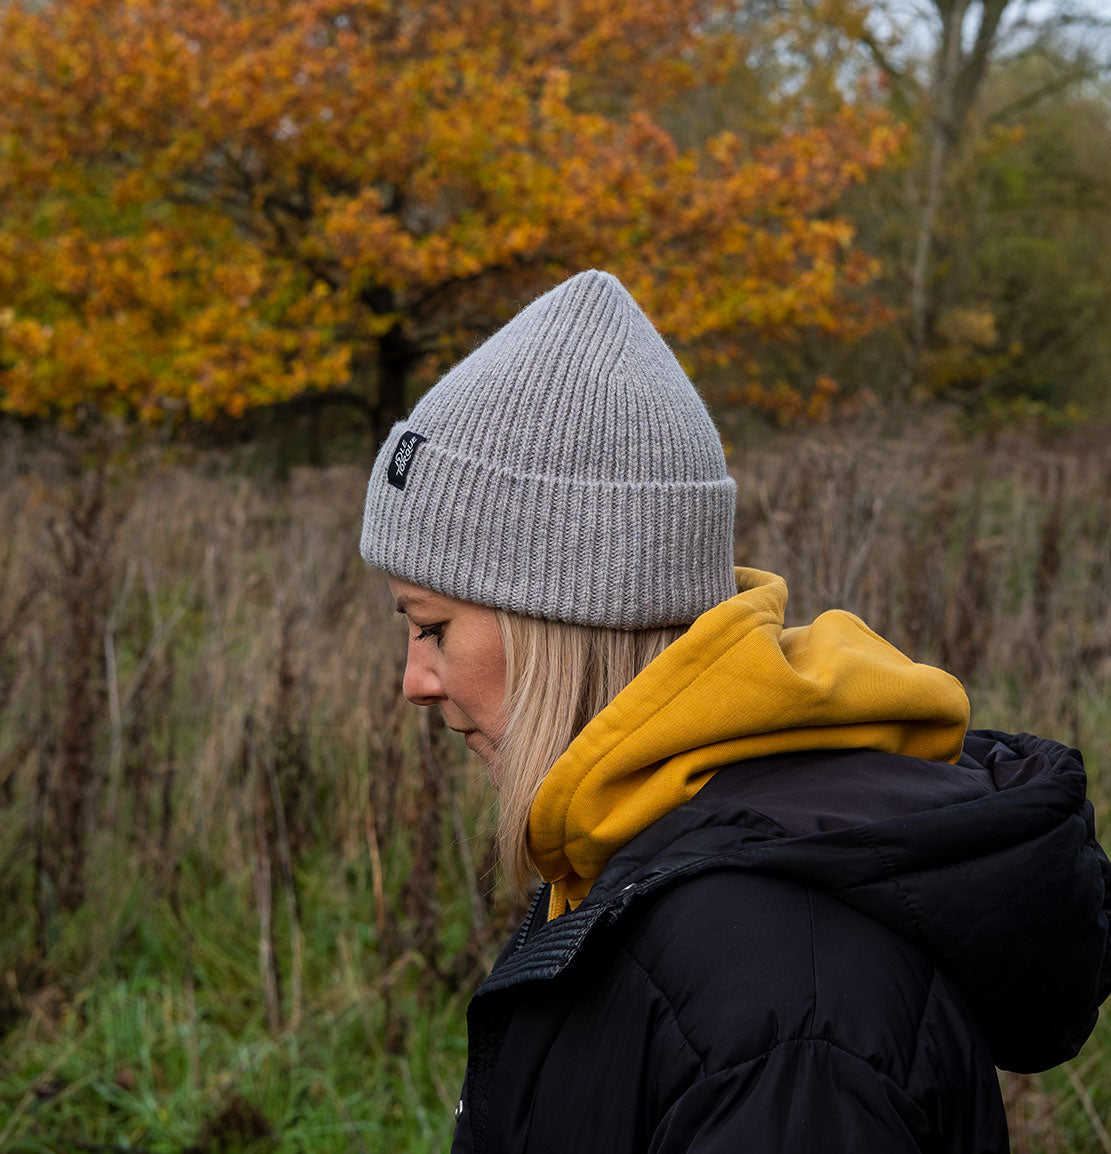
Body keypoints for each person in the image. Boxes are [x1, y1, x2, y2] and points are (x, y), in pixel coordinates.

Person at [360, 270, 1111, 1153]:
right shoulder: (631, 860)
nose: (414, 681)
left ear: (561, 617)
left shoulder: (786, 1010)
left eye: (433, 627)